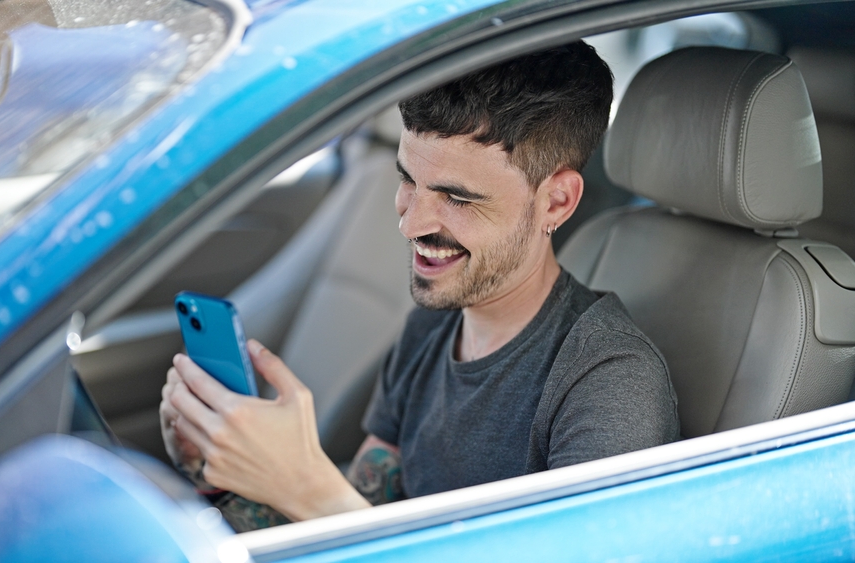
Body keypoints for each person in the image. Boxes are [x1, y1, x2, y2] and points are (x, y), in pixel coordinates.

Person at [158, 41, 680, 532]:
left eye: (458, 198)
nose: (410, 225)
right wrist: (220, 475)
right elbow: (365, 517)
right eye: (409, 180)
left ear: (556, 203)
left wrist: (305, 483)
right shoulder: (433, 322)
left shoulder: (609, 384)